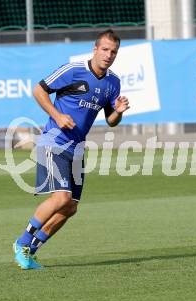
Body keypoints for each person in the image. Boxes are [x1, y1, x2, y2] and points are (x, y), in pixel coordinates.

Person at [13, 29, 130, 269]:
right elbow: (39, 90)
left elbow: (110, 121)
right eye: (105, 50)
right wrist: (57, 115)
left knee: (71, 207)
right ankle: (22, 241)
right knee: (61, 198)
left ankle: (31, 249)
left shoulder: (113, 82)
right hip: (54, 142)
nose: (109, 55)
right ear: (95, 49)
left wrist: (118, 111)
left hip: (77, 149)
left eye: (114, 52)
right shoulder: (73, 71)